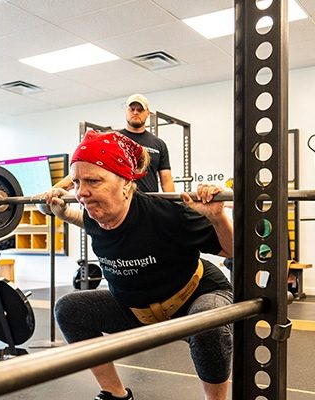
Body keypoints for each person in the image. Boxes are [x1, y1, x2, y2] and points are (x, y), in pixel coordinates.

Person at [44, 130, 233, 400]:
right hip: (135, 310)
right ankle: (114, 394)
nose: (82, 193)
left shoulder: (168, 213)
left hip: (195, 296)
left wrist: (218, 219)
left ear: (126, 184)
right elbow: (84, 219)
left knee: (208, 320)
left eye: (93, 181)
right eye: (76, 182)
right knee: (69, 309)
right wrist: (61, 213)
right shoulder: (95, 214)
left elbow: (232, 250)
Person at [54, 93, 175, 193]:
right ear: (126, 111)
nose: (135, 112)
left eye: (140, 109)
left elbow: (166, 180)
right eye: (132, 109)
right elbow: (84, 170)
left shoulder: (159, 144)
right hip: (119, 204)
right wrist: (55, 189)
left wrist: (174, 208)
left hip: (149, 205)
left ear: (148, 113)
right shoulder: (112, 139)